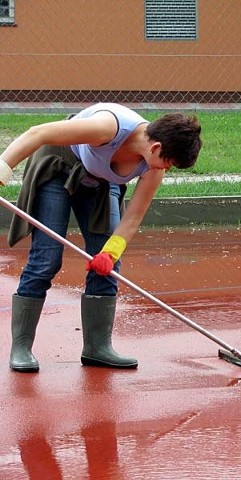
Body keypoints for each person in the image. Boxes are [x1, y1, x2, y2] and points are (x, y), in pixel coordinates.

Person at [0, 103, 202, 372]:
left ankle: (97, 347)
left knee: (109, 265)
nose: (168, 169)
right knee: (46, 258)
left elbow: (132, 218)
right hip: (59, 169)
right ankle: (22, 347)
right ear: (156, 148)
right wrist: (2, 171)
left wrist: (110, 252)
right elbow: (38, 133)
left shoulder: (154, 168)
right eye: (170, 162)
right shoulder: (107, 127)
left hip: (98, 184)